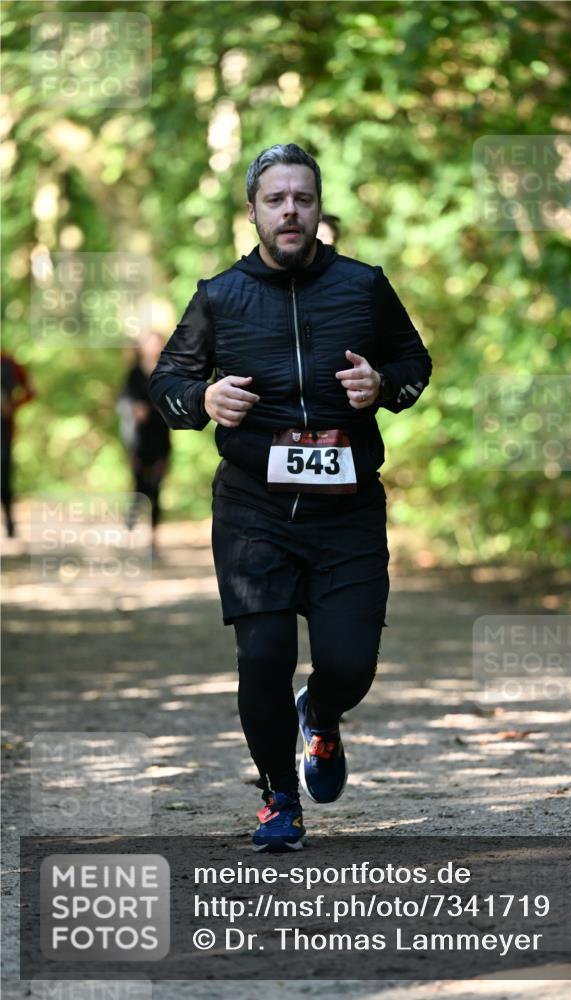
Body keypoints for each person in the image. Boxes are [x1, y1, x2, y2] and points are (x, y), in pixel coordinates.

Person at [149, 143, 432, 852]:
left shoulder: (362, 286)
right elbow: (167, 385)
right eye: (275, 200)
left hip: (347, 514)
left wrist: (383, 388)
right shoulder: (219, 296)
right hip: (255, 511)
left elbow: (412, 363)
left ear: (317, 209)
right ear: (253, 211)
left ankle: (323, 713)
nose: (289, 212)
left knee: (348, 663)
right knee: (264, 654)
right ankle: (278, 797)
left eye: (301, 199)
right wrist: (202, 397)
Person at [117, 332, 171, 546]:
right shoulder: (134, 373)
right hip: (138, 440)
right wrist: (134, 410)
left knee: (157, 487)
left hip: (161, 439)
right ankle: (130, 526)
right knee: (139, 485)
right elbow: (123, 403)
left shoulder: (168, 372)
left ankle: (154, 535)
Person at [1, 351, 35, 538]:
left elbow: (30, 392)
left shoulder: (10, 363)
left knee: (4, 475)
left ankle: (9, 522)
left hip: (3, 429)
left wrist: (12, 405)